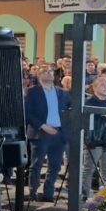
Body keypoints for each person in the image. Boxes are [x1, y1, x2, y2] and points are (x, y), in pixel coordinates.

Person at [24, 67, 70, 203]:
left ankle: (48, 194)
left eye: (50, 71)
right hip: (40, 132)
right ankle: (33, 193)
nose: (48, 73)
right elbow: (28, 113)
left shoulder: (63, 93)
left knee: (55, 166)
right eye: (45, 71)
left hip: (59, 133)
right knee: (36, 165)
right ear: (38, 76)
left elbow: (70, 110)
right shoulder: (32, 92)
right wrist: (43, 126)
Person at [83, 77, 106, 198]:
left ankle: (104, 197)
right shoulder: (89, 102)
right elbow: (89, 122)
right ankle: (83, 196)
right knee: (89, 169)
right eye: (102, 84)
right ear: (95, 88)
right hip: (94, 141)